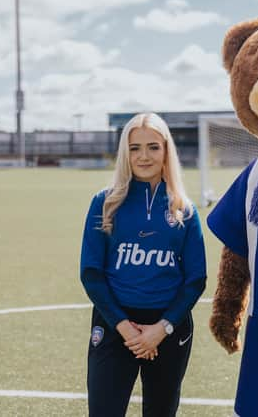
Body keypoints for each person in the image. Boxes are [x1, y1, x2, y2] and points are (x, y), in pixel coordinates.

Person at [80, 112, 207, 417]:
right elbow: (91, 273)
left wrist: (160, 329)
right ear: (125, 152)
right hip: (114, 325)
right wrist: (125, 328)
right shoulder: (105, 203)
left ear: (166, 151)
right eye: (135, 148)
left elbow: (195, 279)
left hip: (168, 327)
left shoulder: (183, 209)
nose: (144, 156)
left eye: (153, 147)